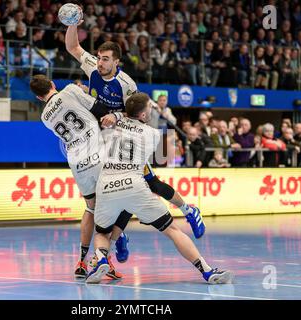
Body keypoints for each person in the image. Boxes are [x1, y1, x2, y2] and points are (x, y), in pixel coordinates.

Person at [65, 17, 206, 269]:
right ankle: (117, 238)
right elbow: (73, 48)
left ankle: (188, 209)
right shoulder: (93, 68)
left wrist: (115, 116)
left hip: (122, 135)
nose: (100, 62)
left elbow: (133, 111)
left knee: (147, 181)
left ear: (116, 62)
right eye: (98, 57)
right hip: (100, 140)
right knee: (110, 191)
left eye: (105, 59)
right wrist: (72, 23)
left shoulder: (126, 83)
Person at [86, 93, 233, 284]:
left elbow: (116, 118)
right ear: (144, 115)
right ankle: (207, 271)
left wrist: (118, 116)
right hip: (133, 185)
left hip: (106, 185)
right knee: (172, 230)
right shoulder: (152, 134)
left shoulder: (107, 127)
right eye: (150, 109)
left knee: (102, 233)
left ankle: (101, 259)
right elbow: (160, 166)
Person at [29, 74, 125, 280]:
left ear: (38, 98)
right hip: (97, 153)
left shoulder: (44, 118)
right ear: (53, 84)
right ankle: (104, 256)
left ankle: (82, 261)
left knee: (91, 208)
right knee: (116, 203)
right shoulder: (70, 90)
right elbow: (100, 111)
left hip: (77, 162)